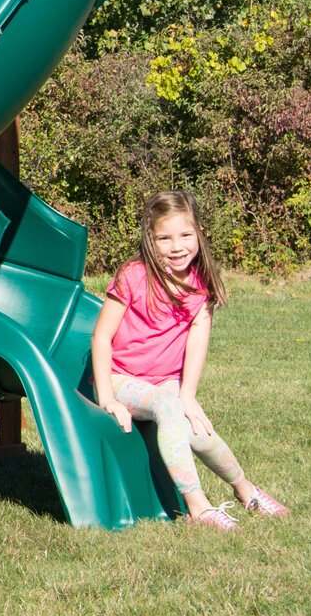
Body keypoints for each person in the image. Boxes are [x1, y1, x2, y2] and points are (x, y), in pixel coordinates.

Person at [90, 190, 289, 531]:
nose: (177, 246)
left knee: (198, 430)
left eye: (185, 235)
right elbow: (101, 337)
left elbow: (197, 341)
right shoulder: (133, 275)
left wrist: (189, 394)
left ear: (198, 233)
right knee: (169, 406)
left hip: (166, 382)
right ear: (150, 240)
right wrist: (107, 396)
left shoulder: (200, 283)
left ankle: (246, 490)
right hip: (122, 379)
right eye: (164, 238)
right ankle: (199, 508)